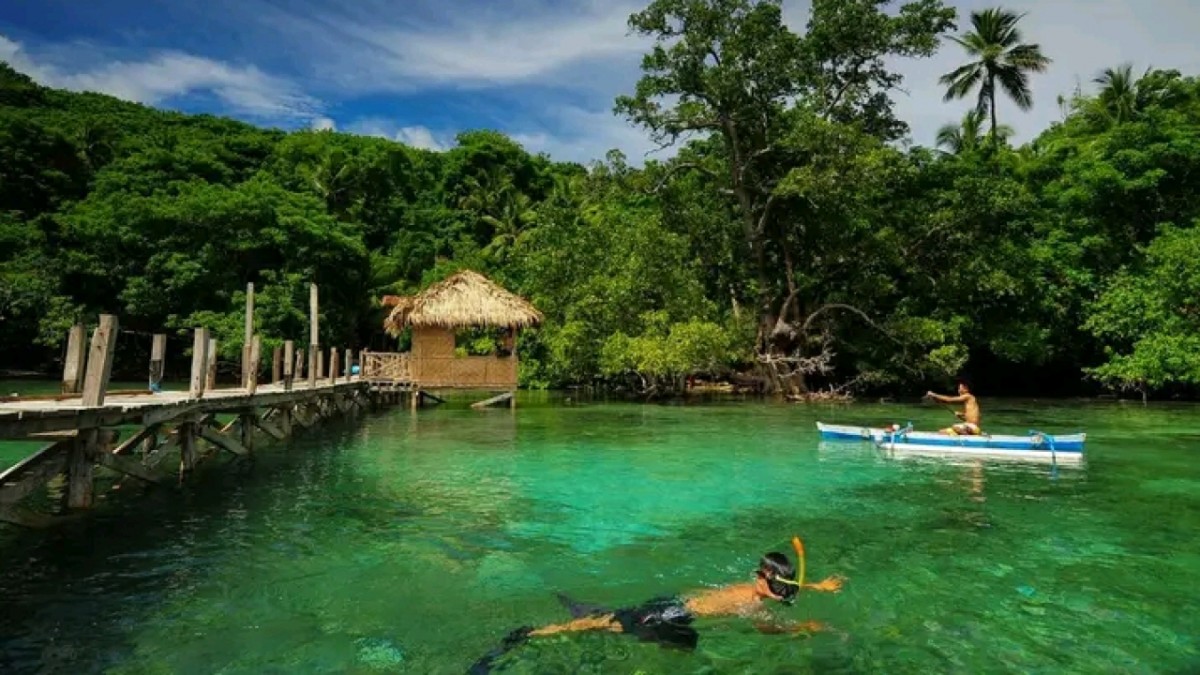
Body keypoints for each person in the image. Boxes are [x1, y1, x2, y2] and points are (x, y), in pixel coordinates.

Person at [468, 537, 844, 673]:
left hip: (671, 606)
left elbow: (782, 586)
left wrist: (816, 586)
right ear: (763, 580)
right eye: (779, 587)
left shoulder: (751, 585)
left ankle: (536, 632)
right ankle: (526, 636)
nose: (782, 593)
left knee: (606, 623)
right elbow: (766, 627)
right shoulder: (752, 602)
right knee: (607, 627)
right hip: (669, 615)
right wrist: (799, 630)